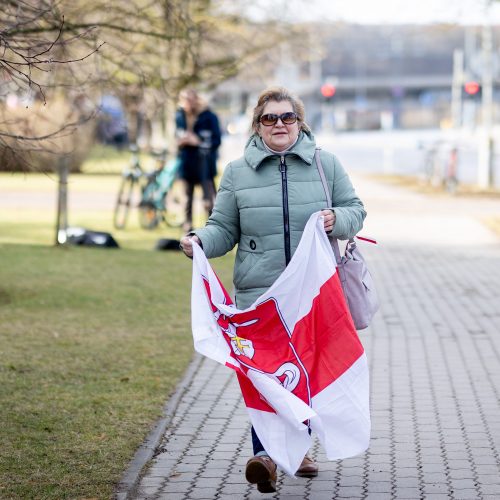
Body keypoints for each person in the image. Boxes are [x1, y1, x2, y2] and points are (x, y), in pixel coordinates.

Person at [180, 86, 366, 493]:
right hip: (259, 296)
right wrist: (199, 242)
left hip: (313, 295)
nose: (279, 124)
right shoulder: (237, 172)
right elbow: (223, 229)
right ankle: (265, 456)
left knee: (305, 373)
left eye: (287, 117)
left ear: (299, 122)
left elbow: (357, 210)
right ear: (257, 125)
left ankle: (298, 451)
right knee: (265, 376)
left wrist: (338, 219)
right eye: (270, 118)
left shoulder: (324, 164)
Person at [175, 89, 221, 232]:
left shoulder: (209, 116)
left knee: (208, 200)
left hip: (204, 164)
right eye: (185, 100)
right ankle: (187, 230)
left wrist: (198, 142)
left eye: (191, 99)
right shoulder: (179, 115)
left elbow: (216, 140)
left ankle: (212, 229)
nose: (188, 103)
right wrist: (180, 141)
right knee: (187, 199)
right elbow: (176, 136)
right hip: (187, 163)